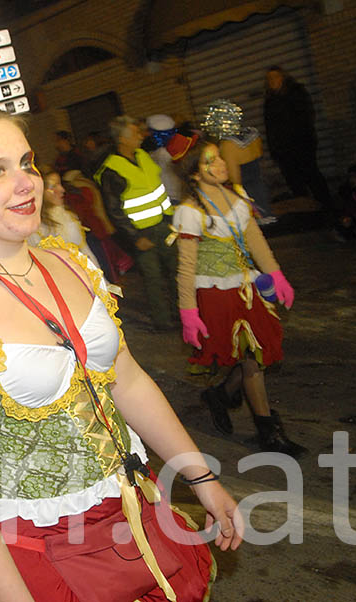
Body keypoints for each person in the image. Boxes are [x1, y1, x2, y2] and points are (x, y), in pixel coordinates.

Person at [0, 101, 242, 602]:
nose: (26, 182)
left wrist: (200, 476)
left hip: (135, 515)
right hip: (38, 553)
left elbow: (127, 379)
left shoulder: (73, 263)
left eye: (27, 161)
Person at [171, 141, 306, 456]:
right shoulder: (189, 213)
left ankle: (221, 395)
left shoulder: (239, 198)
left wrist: (277, 275)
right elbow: (186, 268)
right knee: (250, 360)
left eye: (218, 158)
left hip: (246, 290)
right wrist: (188, 311)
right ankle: (268, 433)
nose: (219, 165)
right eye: (208, 162)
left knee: (251, 357)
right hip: (215, 295)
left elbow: (256, 243)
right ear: (193, 175)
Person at [95, 115, 178, 330]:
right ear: (122, 140)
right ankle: (163, 322)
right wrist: (135, 238)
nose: (140, 137)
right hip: (143, 234)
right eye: (135, 134)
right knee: (154, 280)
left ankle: (182, 313)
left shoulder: (142, 156)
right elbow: (114, 211)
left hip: (165, 225)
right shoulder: (112, 170)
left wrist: (170, 218)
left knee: (177, 272)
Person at [263, 66, 332, 209]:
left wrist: (302, 139)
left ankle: (326, 205)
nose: (273, 81)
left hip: (301, 144)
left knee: (311, 175)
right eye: (270, 78)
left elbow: (306, 117)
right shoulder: (269, 101)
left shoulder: (296, 93)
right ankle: (306, 209)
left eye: (275, 77)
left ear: (283, 77)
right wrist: (274, 150)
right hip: (283, 150)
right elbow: (270, 127)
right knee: (294, 181)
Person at [200, 100, 276, 223]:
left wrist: (235, 189)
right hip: (260, 181)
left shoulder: (227, 145)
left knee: (257, 220)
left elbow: (234, 175)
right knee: (266, 213)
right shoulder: (253, 134)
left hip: (247, 188)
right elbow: (260, 156)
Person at [28, 170, 102, 270]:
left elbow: (84, 251)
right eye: (53, 186)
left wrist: (98, 275)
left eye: (60, 184)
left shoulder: (66, 215)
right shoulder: (35, 228)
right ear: (39, 192)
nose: (62, 189)